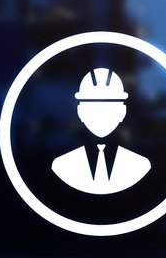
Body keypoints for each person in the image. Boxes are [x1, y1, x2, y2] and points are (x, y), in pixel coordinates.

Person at [50, 67, 153, 196]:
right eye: (92, 106)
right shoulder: (63, 165)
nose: (101, 114)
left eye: (109, 106)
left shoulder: (139, 165)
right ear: (80, 112)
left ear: (122, 112)